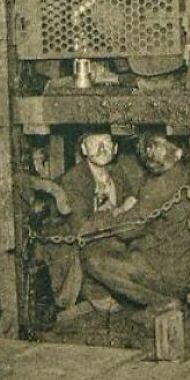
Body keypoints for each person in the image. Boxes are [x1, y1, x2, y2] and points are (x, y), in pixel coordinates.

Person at [83, 132, 190, 314]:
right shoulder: (182, 174)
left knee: (94, 261)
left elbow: (128, 230)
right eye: (148, 146)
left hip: (170, 276)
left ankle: (163, 302)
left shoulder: (163, 184)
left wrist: (106, 217)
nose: (149, 151)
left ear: (178, 153)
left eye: (158, 146)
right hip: (183, 268)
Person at [40, 131, 144, 314]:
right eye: (95, 142)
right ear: (84, 149)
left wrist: (124, 208)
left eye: (107, 142)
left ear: (116, 148)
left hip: (112, 237)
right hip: (82, 248)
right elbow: (82, 227)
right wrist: (119, 211)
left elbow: (132, 199)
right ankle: (95, 292)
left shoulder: (117, 172)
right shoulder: (74, 179)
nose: (102, 148)